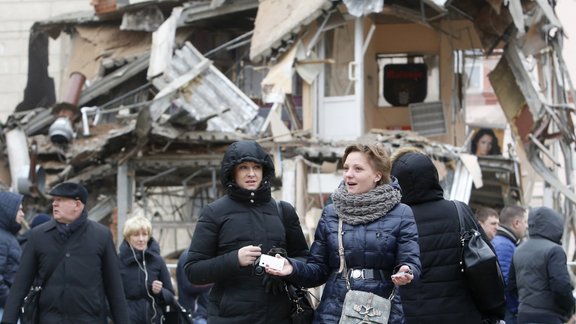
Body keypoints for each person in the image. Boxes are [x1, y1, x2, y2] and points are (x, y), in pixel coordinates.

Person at [267, 142, 421, 323]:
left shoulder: (401, 212)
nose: (349, 174)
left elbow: (410, 260)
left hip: (381, 311)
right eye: (346, 168)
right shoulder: (332, 212)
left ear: (377, 175)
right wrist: (292, 267)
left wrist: (407, 271)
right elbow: (318, 270)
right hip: (335, 312)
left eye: (358, 169)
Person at [183, 140, 310, 324]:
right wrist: (234, 259)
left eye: (256, 167)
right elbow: (193, 271)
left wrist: (287, 266)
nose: (251, 174)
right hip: (229, 318)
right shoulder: (214, 212)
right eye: (243, 167)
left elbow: (306, 262)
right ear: (232, 172)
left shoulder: (284, 211)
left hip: (279, 316)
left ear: (264, 170)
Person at [390, 147, 505, 323]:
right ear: (433, 177)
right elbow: (487, 263)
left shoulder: (393, 220)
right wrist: (494, 313)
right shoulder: (458, 211)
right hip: (461, 315)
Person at [1, 182, 129, 324]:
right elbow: (20, 287)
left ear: (77, 205)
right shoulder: (38, 236)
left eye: (60, 200)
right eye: (54, 200)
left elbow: (115, 289)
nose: (55, 204)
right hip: (49, 320)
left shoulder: (101, 236)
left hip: (90, 319)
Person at [508, 206, 575, 324]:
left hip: (523, 316)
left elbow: (511, 286)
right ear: (555, 225)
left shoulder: (518, 250)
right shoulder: (554, 250)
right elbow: (561, 287)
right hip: (549, 316)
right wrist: (571, 307)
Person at [119, 215, 175, 324]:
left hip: (153, 319)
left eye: (144, 234)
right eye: (136, 235)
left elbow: (170, 296)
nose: (141, 239)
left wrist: (160, 292)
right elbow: (107, 294)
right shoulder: (117, 261)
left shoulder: (158, 261)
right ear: (127, 237)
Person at [491, 205, 527, 324]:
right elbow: (505, 282)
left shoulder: (504, 242)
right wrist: (515, 308)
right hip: (508, 311)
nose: (526, 226)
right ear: (516, 223)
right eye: (525, 222)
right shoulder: (504, 246)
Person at [0, 192, 25, 320]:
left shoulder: (7, 237)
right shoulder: (2, 239)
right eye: (19, 209)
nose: (23, 213)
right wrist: (11, 302)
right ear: (7, 211)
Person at [176, 251, 210, 324]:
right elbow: (188, 286)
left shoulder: (203, 255)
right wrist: (214, 281)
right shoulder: (187, 256)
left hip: (206, 314)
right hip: (195, 315)